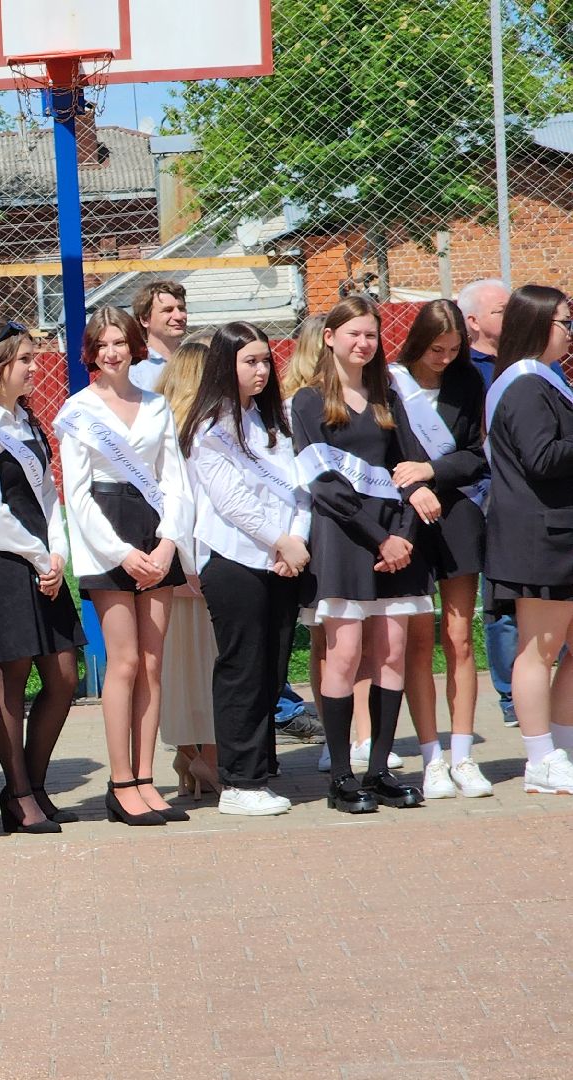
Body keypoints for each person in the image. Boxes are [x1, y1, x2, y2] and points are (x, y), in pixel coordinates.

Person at [291, 295, 437, 814]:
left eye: (371, 335)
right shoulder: (308, 402)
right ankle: (339, 776)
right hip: (347, 542)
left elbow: (411, 468)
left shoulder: (387, 397)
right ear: (329, 337)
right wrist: (382, 537)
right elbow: (326, 487)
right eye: (353, 333)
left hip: (398, 544)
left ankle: (378, 771)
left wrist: (402, 537)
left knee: (392, 652)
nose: (363, 343)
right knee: (346, 653)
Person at [54, 308, 192, 826]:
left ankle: (146, 776)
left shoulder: (158, 406)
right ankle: (120, 783)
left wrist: (166, 545)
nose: (112, 351)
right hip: (108, 542)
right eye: (102, 343)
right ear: (91, 351)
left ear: (135, 346)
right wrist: (121, 553)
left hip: (155, 537)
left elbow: (175, 479)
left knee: (155, 664)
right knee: (126, 661)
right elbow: (80, 493)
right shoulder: (78, 409)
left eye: (120, 341)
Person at [0, 324, 84, 834]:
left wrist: (57, 554)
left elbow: (48, 496)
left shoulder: (28, 420)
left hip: (41, 562)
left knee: (64, 677)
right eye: (24, 359)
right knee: (11, 680)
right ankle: (20, 795)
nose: (34, 366)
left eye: (34, 357)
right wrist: (37, 557)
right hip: (6, 564)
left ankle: (32, 783)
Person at [179, 324, 309, 817]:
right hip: (235, 561)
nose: (260, 370)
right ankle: (239, 781)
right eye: (248, 361)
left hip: (283, 560)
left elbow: (300, 488)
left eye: (264, 361)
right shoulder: (210, 427)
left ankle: (261, 771)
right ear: (224, 366)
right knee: (243, 670)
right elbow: (231, 502)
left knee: (273, 669)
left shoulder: (272, 421)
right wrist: (280, 540)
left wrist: (295, 539)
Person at [388, 300, 494, 799]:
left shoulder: (468, 381)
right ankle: (430, 758)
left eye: (455, 350)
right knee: (416, 640)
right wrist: (413, 487)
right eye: (437, 349)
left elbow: (476, 455)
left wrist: (432, 472)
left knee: (459, 636)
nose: (446, 358)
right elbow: (381, 453)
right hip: (405, 519)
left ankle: (463, 755)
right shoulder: (387, 382)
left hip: (456, 513)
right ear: (417, 342)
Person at [482, 284, 573, 794]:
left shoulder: (547, 380)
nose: (570, 333)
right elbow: (541, 458)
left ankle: (563, 747)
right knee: (538, 650)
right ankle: (540, 758)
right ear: (538, 324)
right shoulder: (523, 384)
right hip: (540, 538)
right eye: (564, 322)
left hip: (560, 533)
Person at [155, 337, 226, 796]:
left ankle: (186, 755)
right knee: (213, 665)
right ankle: (212, 762)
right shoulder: (208, 431)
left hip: (170, 563)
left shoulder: (156, 429)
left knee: (177, 667)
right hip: (205, 560)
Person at [458, 277, 519, 727]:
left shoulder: (533, 361)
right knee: (499, 600)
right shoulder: (462, 370)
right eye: (501, 310)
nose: (511, 314)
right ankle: (512, 697)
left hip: (535, 494)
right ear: (473, 321)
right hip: (484, 492)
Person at [129, 281, 189, 392]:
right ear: (145, 320)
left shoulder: (196, 360)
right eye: (168, 310)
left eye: (181, 308)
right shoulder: (135, 371)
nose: (179, 316)